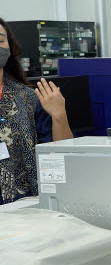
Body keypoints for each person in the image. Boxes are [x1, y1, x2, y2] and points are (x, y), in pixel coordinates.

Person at [0, 18, 73, 204]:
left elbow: (62, 159)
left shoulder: (30, 98)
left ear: (9, 47)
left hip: (26, 208)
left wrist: (59, 116)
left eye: (0, 41)